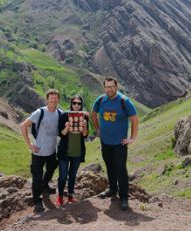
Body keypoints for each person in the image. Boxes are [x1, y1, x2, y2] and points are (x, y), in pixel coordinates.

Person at [91, 77, 139, 210]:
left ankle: (123, 197)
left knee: (121, 169)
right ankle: (112, 189)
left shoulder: (124, 101)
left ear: (116, 87)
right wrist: (97, 129)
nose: (109, 89)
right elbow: (93, 114)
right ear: (104, 87)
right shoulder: (100, 100)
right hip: (105, 141)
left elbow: (134, 119)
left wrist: (132, 138)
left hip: (120, 143)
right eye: (107, 87)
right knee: (109, 166)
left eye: (112, 87)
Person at [19, 89, 62, 214]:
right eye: (51, 98)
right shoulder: (40, 112)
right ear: (47, 99)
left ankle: (45, 185)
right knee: (37, 176)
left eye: (55, 98)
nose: (53, 100)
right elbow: (23, 126)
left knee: (52, 167)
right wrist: (29, 145)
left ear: (58, 99)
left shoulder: (59, 113)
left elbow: (69, 119)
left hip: (51, 151)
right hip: (38, 152)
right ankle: (37, 200)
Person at [56, 94, 89, 206]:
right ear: (71, 104)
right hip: (64, 151)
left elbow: (85, 135)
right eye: (74, 103)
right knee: (63, 176)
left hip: (78, 152)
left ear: (81, 105)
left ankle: (70, 196)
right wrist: (66, 127)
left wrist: (84, 126)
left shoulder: (84, 117)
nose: (76, 105)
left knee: (73, 176)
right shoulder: (64, 115)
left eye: (79, 103)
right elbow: (61, 134)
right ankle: (60, 197)